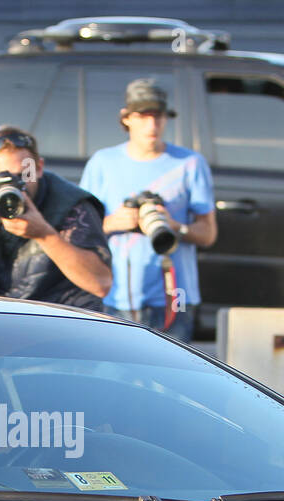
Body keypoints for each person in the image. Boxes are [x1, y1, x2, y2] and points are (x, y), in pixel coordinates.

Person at [79, 78, 217, 342]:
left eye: (158, 116)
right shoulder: (103, 163)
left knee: (172, 379)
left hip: (175, 295)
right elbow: (81, 230)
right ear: (126, 118)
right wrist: (116, 222)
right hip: (117, 294)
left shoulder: (190, 163)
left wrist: (174, 225)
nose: (152, 125)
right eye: (143, 116)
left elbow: (208, 234)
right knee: (115, 377)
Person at [0, 127, 111, 311]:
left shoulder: (71, 203)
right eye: (2, 177)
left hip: (64, 318)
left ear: (39, 168)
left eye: (22, 175)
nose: (13, 185)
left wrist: (45, 234)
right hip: (6, 319)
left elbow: (101, 284)